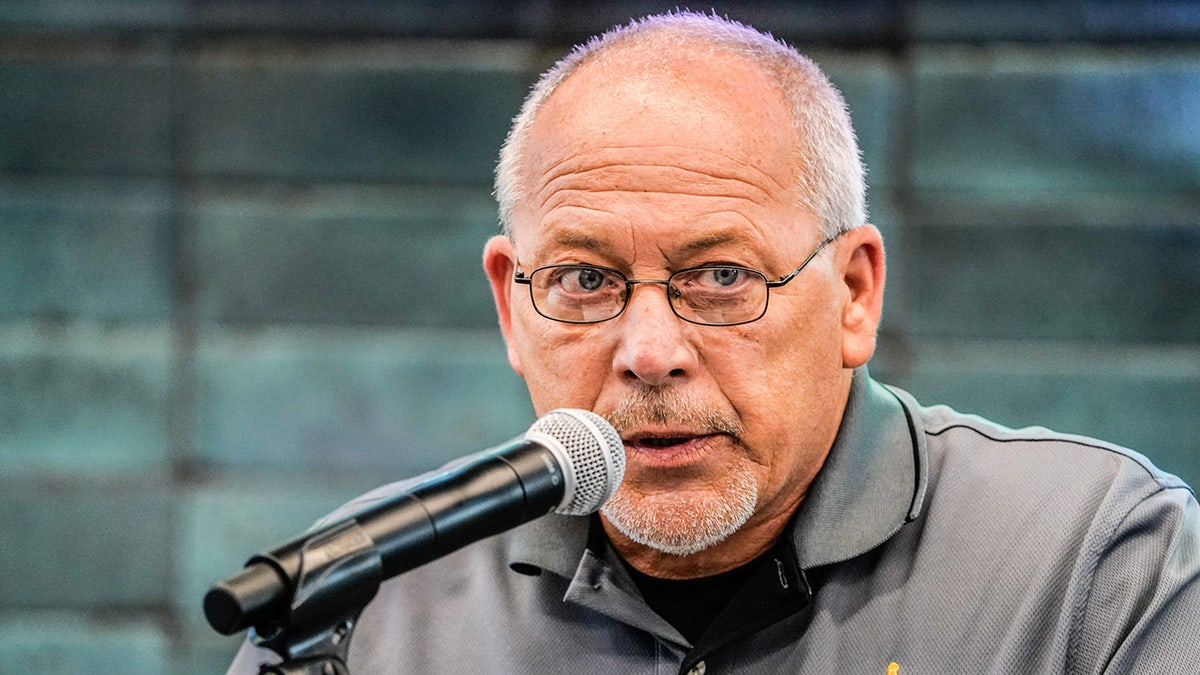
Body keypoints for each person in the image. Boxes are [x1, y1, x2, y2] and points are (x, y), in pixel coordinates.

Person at [229, 11, 1200, 674]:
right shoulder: (369, 597)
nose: (649, 351)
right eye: (584, 282)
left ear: (855, 293)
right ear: (509, 308)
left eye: (721, 278)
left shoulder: (1091, 563)